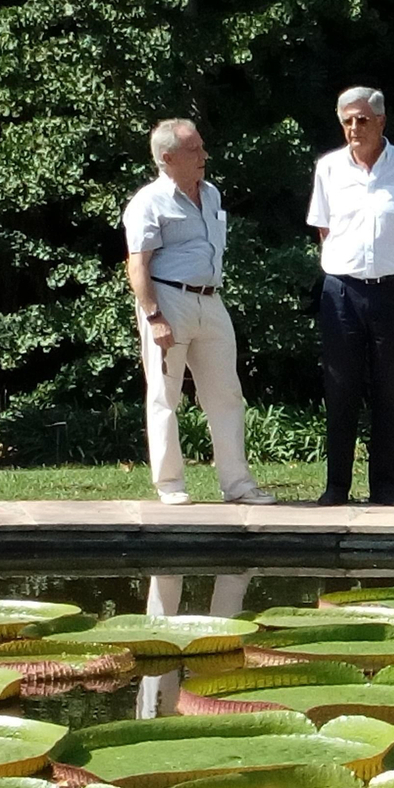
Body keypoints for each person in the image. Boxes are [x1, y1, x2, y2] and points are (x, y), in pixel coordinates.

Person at [122, 119, 275, 507]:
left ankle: (237, 485)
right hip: (168, 300)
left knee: (226, 394)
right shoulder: (147, 202)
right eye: (194, 150)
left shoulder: (211, 194)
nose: (203, 155)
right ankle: (170, 485)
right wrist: (154, 316)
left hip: (211, 300)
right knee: (164, 395)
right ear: (168, 158)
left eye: (202, 147)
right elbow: (137, 265)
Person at [307, 86, 394, 507]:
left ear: (381, 121)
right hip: (341, 291)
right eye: (347, 120)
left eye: (362, 119)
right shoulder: (328, 168)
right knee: (340, 387)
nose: (354, 128)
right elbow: (323, 228)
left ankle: (385, 489)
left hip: (393, 291)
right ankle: (336, 488)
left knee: (389, 388)